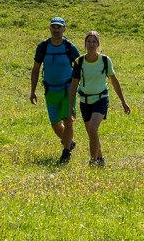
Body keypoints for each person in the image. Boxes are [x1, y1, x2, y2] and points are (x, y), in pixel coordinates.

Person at [68, 30, 131, 167]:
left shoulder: (105, 60)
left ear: (98, 44)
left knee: (92, 129)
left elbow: (114, 81)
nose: (91, 44)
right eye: (89, 41)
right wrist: (71, 106)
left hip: (101, 99)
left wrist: (123, 102)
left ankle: (93, 161)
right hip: (85, 102)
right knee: (92, 134)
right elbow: (73, 85)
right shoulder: (79, 62)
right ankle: (100, 158)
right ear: (85, 44)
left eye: (94, 41)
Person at [30, 16, 81, 163]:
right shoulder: (43, 47)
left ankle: (66, 152)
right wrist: (32, 91)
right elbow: (35, 69)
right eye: (54, 27)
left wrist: (80, 87)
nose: (56, 30)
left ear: (64, 29)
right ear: (50, 28)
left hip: (67, 89)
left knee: (68, 120)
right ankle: (69, 142)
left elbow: (79, 68)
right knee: (55, 124)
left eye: (59, 27)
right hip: (50, 90)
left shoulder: (69, 47)